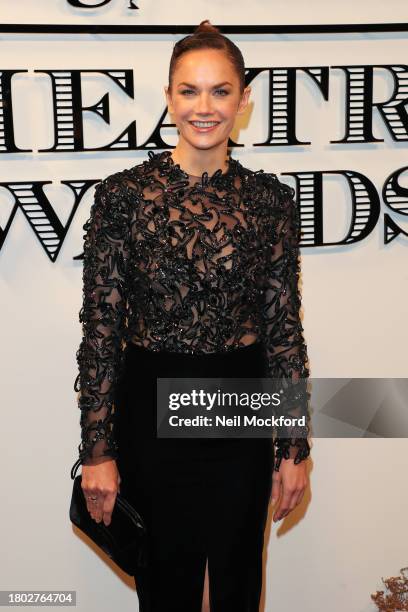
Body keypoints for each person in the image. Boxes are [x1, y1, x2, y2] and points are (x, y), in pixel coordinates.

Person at [70, 19, 311, 612]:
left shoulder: (272, 202)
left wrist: (295, 448)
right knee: (169, 585)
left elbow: (283, 331)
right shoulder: (122, 197)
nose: (204, 108)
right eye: (189, 91)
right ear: (169, 95)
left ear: (245, 98)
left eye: (220, 91)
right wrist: (98, 451)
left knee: (235, 583)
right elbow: (101, 331)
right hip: (152, 406)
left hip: (242, 406)